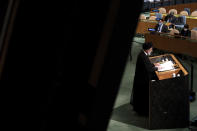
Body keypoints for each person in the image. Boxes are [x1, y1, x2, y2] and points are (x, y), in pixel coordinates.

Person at [130, 42, 162, 116]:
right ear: (147, 50)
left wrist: (154, 64)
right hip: (142, 80)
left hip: (141, 78)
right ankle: (143, 112)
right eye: (151, 49)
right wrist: (157, 68)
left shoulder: (143, 54)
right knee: (143, 96)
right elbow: (148, 69)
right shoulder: (143, 56)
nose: (152, 50)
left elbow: (147, 64)